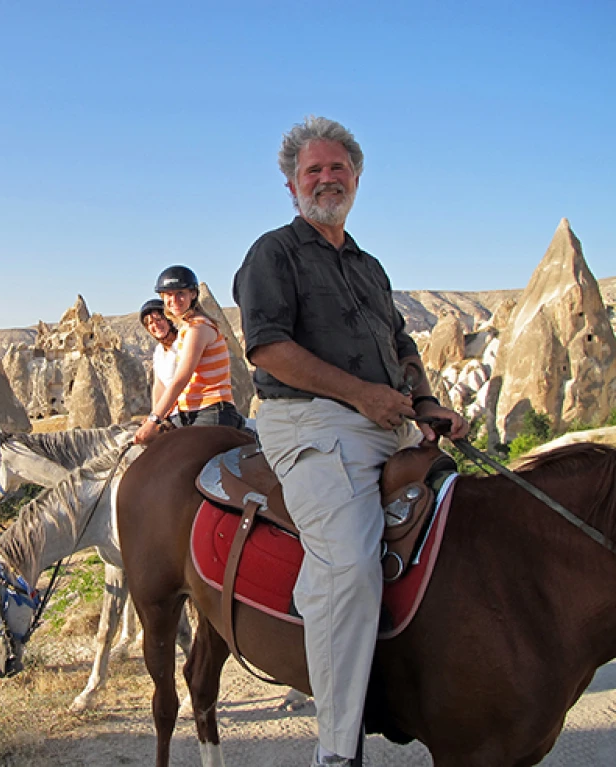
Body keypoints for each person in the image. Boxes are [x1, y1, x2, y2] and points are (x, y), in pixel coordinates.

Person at [232, 116, 469, 767]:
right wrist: (361, 395)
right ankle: (337, 751)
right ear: (292, 185)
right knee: (349, 563)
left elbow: (401, 345)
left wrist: (426, 405)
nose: (327, 179)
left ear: (357, 179)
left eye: (338, 169)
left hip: (387, 420)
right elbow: (269, 347)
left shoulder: (368, 266)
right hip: (311, 423)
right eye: (314, 171)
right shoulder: (272, 253)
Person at [134, 266, 245, 444]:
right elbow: (161, 384)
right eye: (168, 295)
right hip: (189, 413)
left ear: (193, 294)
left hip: (212, 410)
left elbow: (181, 378)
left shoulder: (198, 328)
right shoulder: (186, 328)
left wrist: (154, 419)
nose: (174, 300)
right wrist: (155, 420)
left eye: (180, 293)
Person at [139, 298, 179, 425]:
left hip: (188, 410)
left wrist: (157, 416)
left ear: (169, 320)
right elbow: (159, 385)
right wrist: (154, 415)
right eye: (150, 323)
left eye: (158, 319)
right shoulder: (159, 351)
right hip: (169, 413)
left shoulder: (183, 343)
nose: (155, 325)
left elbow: (181, 382)